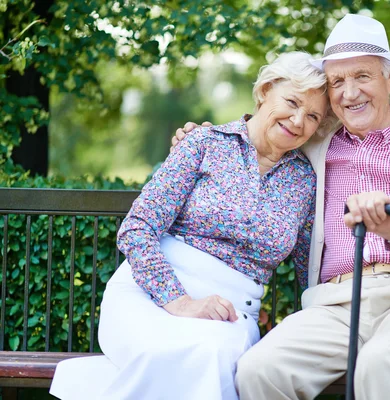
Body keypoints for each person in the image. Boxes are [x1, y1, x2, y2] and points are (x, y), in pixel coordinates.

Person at [172, 14, 390, 400]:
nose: (349, 93)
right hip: (335, 305)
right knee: (259, 371)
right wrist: (201, 138)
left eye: (362, 76)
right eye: (337, 82)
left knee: (381, 364)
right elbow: (265, 127)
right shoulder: (314, 143)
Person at [49, 51, 336, 400]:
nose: (297, 120)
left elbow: (310, 270)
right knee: (167, 355)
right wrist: (179, 300)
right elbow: (138, 227)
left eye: (312, 116)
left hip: (228, 316)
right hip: (148, 296)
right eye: (291, 101)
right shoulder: (204, 143)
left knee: (212, 354)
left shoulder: (305, 180)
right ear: (265, 90)